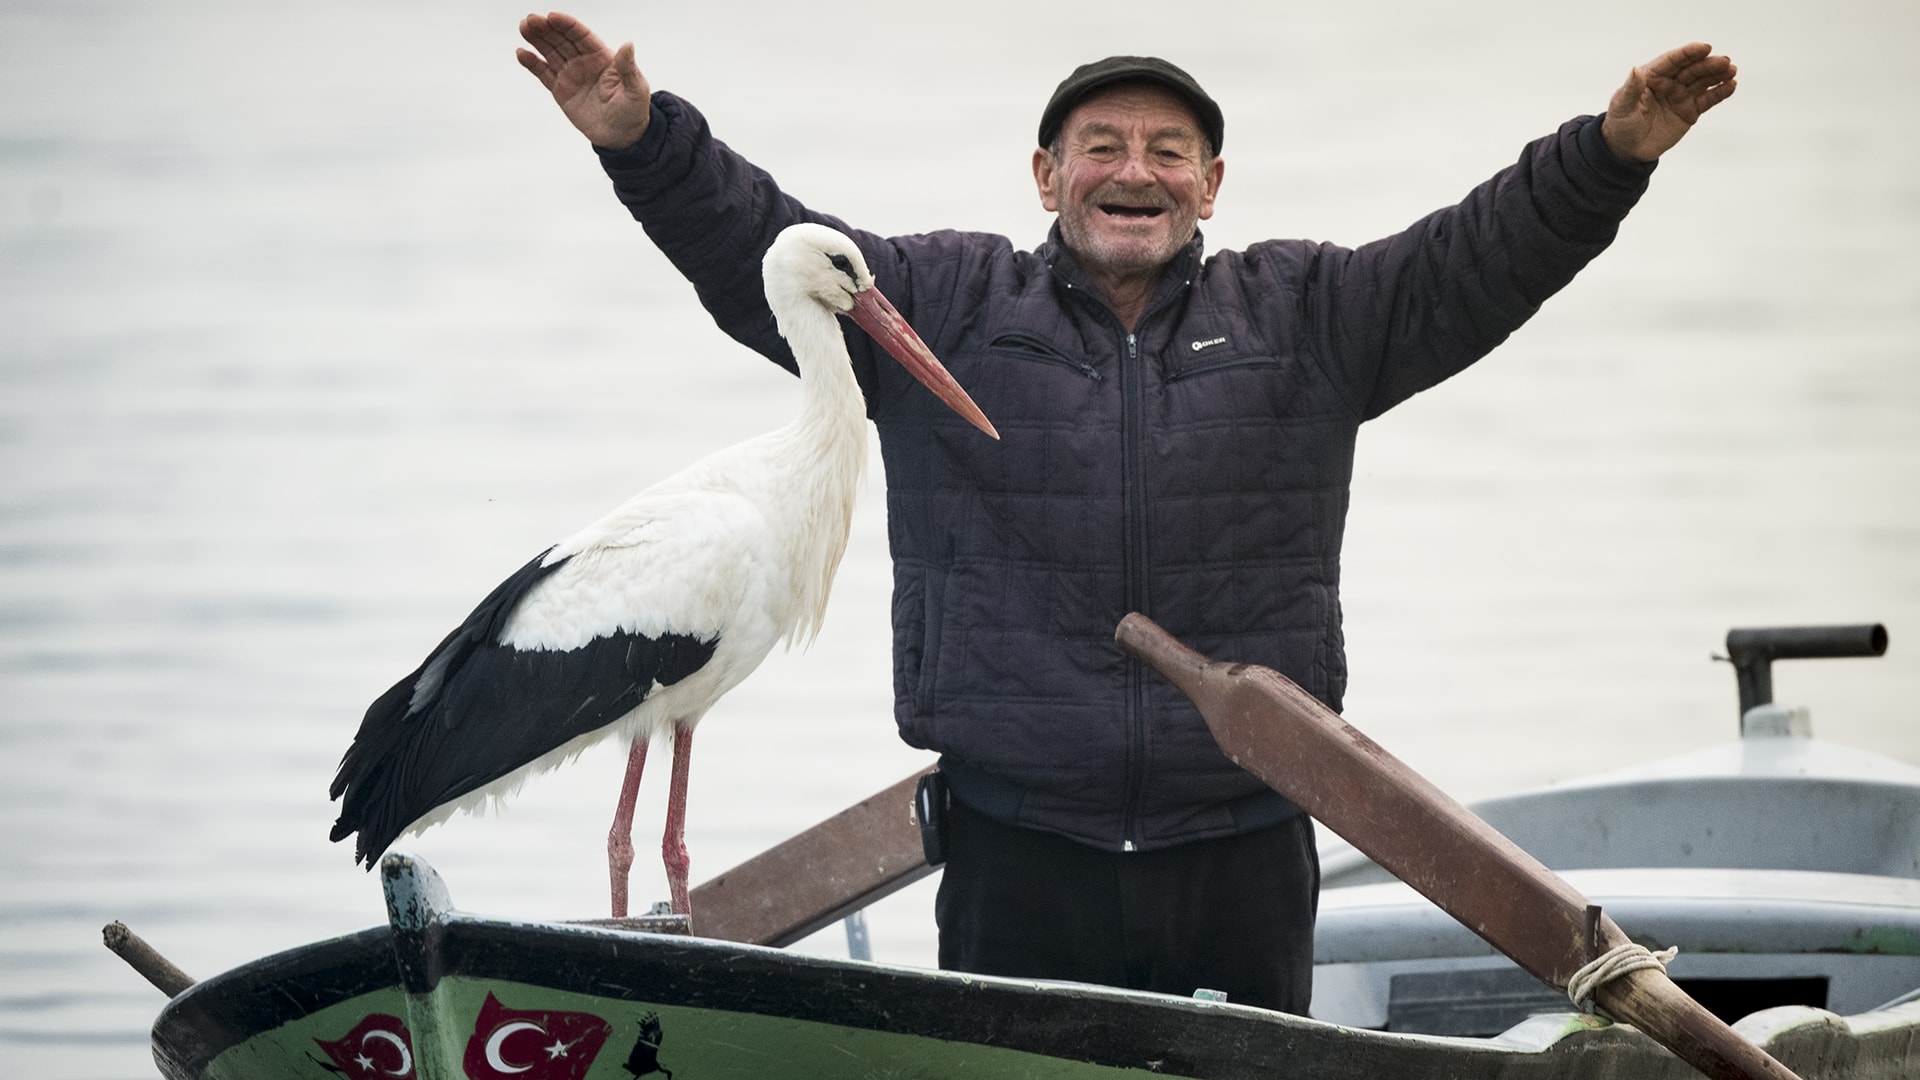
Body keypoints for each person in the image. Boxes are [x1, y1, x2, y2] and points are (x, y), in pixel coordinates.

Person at [515, 12, 1735, 1013]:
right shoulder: (941, 301)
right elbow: (763, 250)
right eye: (1100, 145)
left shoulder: (1310, 313)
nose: (1134, 171)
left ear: (1211, 183)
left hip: (1245, 838)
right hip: (1017, 847)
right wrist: (642, 139)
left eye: (1168, 149)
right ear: (1046, 176)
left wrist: (1611, 153)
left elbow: (1478, 258)